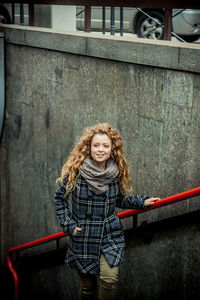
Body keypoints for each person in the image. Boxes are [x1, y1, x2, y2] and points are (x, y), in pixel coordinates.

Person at [54, 123, 160, 300]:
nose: (100, 150)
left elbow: (119, 199)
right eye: (96, 145)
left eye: (105, 145)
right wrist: (68, 225)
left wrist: (141, 201)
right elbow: (60, 199)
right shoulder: (75, 172)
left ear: (112, 149)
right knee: (87, 288)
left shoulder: (115, 173)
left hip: (109, 234)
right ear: (89, 148)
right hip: (83, 235)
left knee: (109, 280)